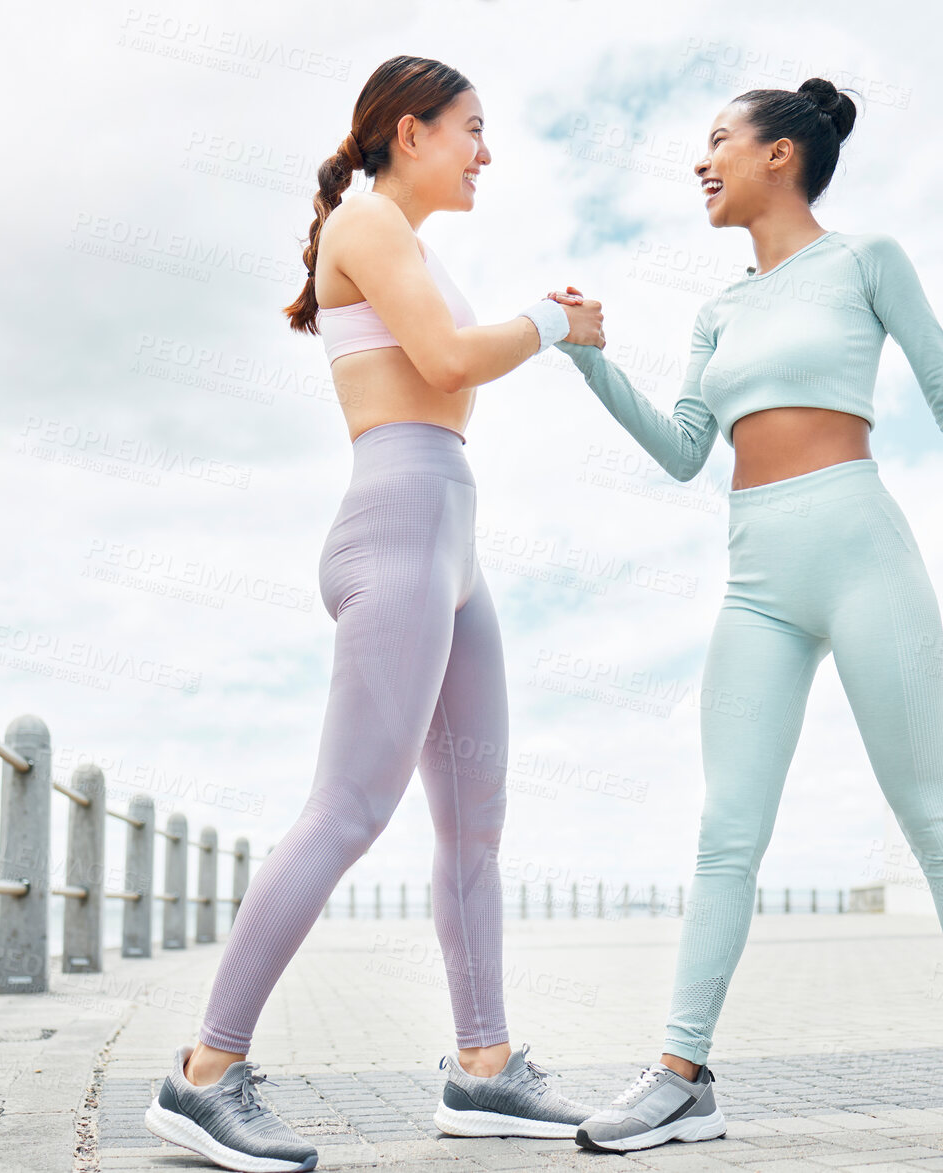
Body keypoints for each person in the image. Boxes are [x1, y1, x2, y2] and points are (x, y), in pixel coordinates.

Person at [549, 78, 943, 1153]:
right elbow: (687, 452)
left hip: (864, 553)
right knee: (725, 833)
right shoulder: (716, 312)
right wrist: (588, 355)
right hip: (754, 581)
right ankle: (681, 1077)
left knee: (926, 811)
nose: (702, 159)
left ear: (780, 155)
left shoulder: (866, 260)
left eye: (719, 139)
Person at [142, 55, 604, 1172]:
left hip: (450, 536)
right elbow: (447, 359)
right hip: (396, 526)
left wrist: (539, 325)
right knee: (349, 809)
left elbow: (447, 369)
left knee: (475, 829)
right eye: (471, 129)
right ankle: (204, 1074)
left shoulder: (413, 245)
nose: (485, 151)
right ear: (410, 131)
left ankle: (483, 1070)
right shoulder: (365, 225)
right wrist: (548, 318)